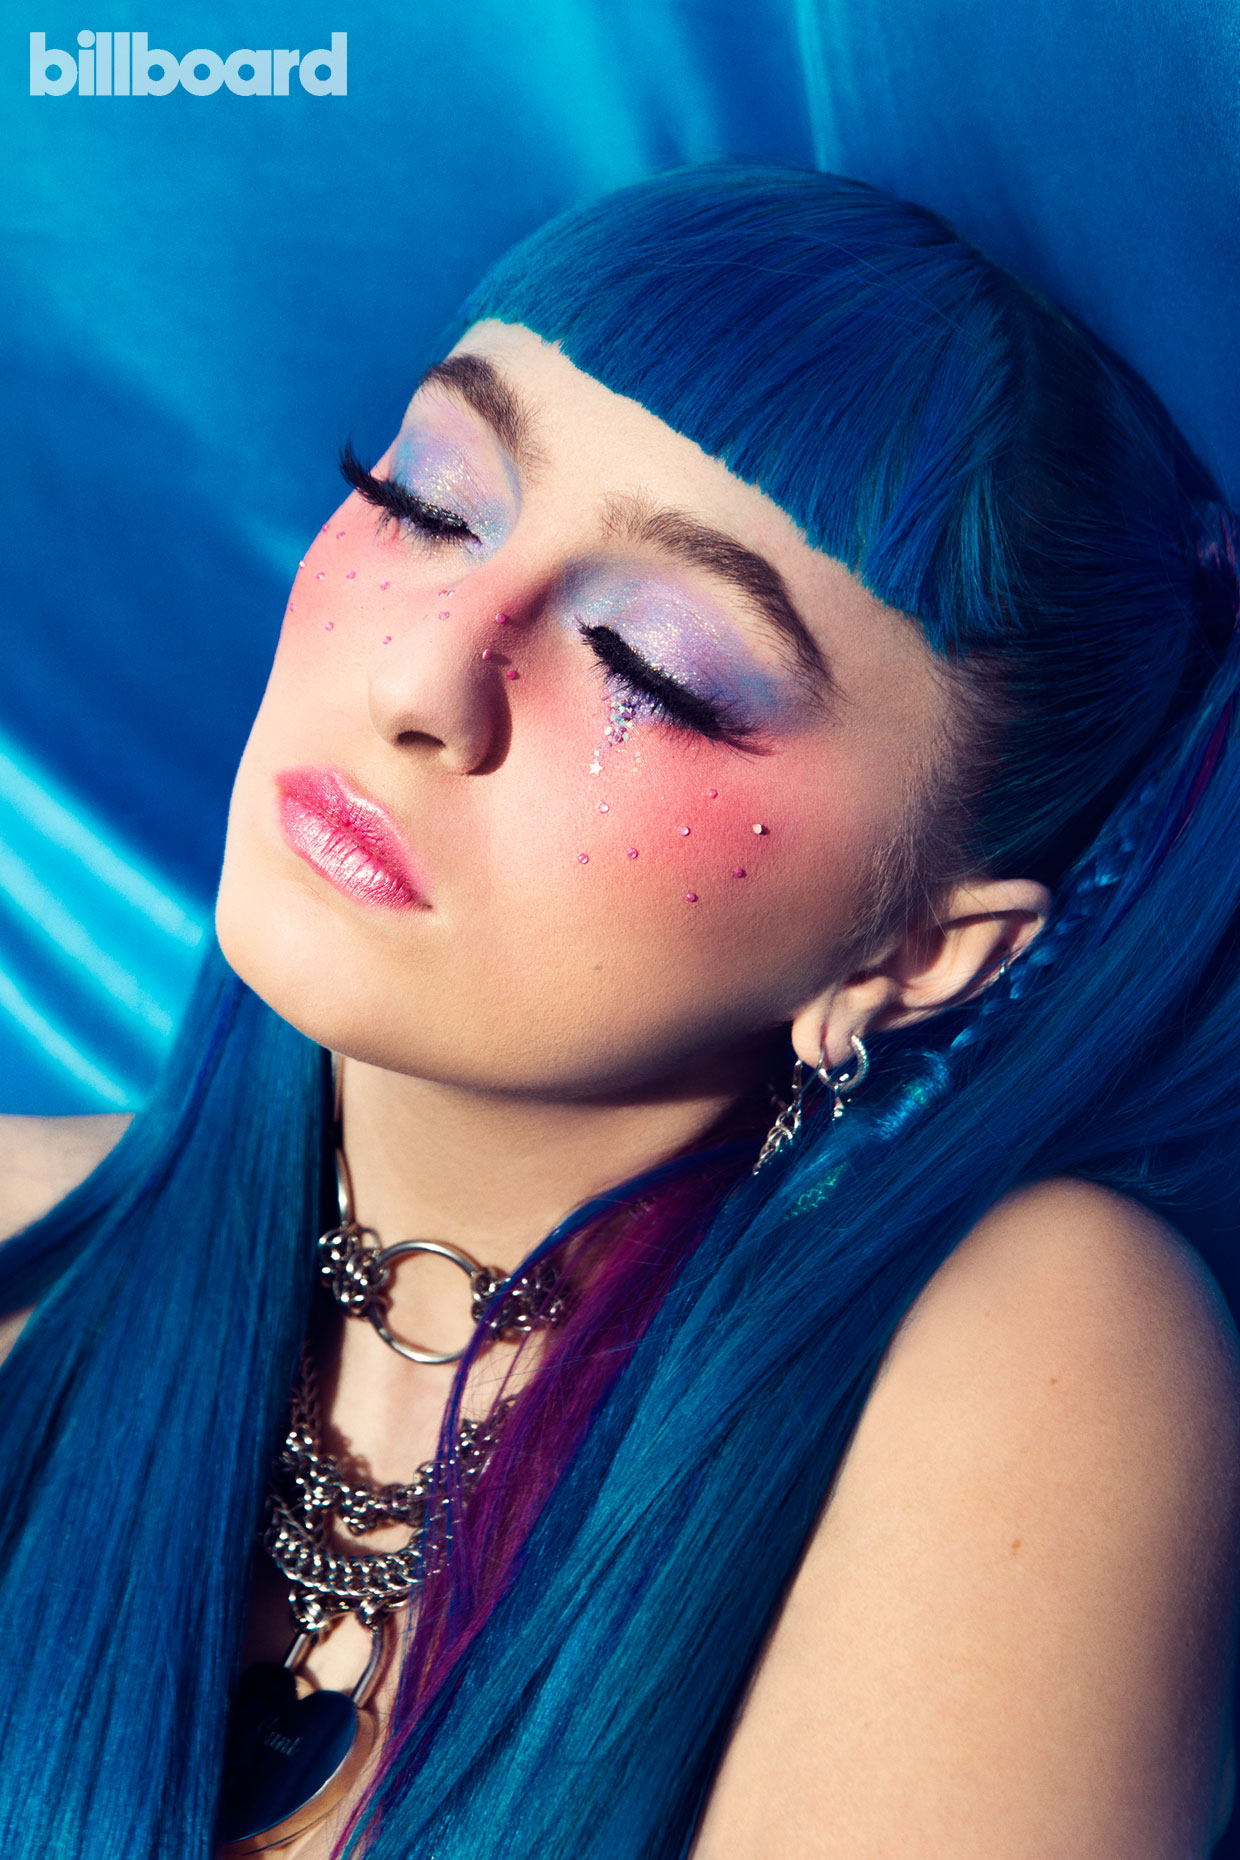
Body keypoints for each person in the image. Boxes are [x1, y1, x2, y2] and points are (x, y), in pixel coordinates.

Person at [1, 163, 1239, 1859]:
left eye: (654, 669)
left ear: (919, 955)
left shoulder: (1038, 1357)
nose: (422, 675)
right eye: (425, 500)